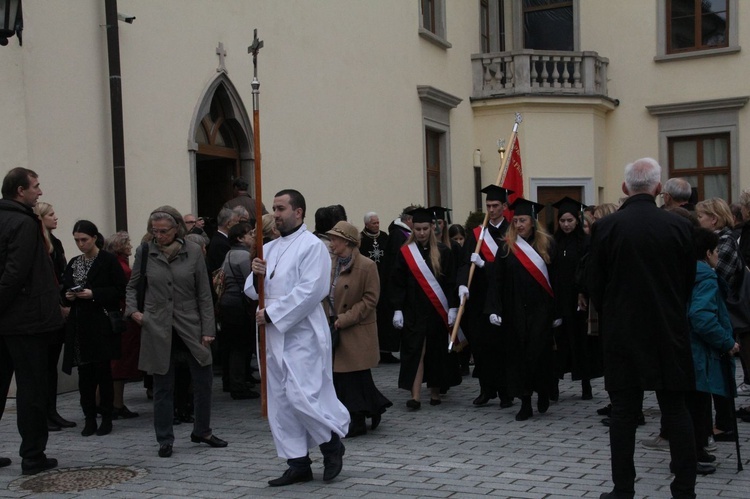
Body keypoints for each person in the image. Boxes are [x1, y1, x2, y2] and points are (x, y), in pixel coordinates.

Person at [588, 158, 697, 499]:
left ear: (624, 188)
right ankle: (684, 489)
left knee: (623, 414)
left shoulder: (606, 228)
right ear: (658, 187)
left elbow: (595, 284)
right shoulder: (680, 227)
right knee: (676, 410)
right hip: (668, 328)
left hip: (623, 331)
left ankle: (623, 490)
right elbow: (688, 282)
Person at [246, 189, 349, 487]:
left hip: (301, 333)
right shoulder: (271, 247)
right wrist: (257, 275)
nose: (275, 214)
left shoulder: (312, 246)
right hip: (272, 335)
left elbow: (311, 290)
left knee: (301, 395)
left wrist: (275, 313)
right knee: (280, 399)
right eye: (274, 209)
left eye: (280, 209)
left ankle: (331, 445)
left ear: (299, 212)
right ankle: (297, 462)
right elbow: (257, 292)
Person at [125, 206, 227, 458]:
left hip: (190, 325)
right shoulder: (145, 252)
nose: (158, 235)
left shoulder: (192, 251)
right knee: (162, 386)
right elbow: (133, 286)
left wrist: (208, 328)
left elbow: (204, 293)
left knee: (203, 380)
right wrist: (133, 312)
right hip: (158, 326)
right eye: (154, 231)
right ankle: (164, 438)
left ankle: (202, 430)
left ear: (177, 229)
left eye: (163, 231)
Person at [0, 167, 62, 475]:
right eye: (35, 187)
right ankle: (33, 456)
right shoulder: (24, 223)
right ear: (20, 191)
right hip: (25, 321)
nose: (39, 192)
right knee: (32, 389)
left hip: (9, 319)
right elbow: (15, 274)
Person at [486, 198, 557, 421]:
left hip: (541, 310)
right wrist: (494, 308)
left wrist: (558, 312)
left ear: (532, 222)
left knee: (539, 354)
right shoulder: (507, 247)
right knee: (520, 356)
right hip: (515, 309)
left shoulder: (547, 245)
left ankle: (543, 391)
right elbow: (496, 280)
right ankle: (525, 401)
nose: (518, 224)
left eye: (523, 220)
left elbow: (558, 281)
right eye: (515, 220)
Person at [325, 221, 392, 437]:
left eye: (335, 238)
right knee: (347, 377)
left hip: (355, 328)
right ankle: (371, 408)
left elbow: (371, 299)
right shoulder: (330, 263)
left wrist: (346, 318)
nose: (331, 242)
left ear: (347, 241)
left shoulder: (367, 266)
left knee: (352, 377)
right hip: (334, 327)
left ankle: (357, 420)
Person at [61, 221, 127, 437]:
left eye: (84, 240)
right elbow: (64, 289)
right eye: (77, 240)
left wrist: (94, 294)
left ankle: (106, 417)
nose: (80, 244)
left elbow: (119, 290)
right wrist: (68, 296)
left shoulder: (107, 260)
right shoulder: (73, 262)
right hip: (79, 325)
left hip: (100, 323)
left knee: (103, 372)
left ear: (94, 238)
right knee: (84, 375)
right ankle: (89, 418)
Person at [390, 207, 461, 409]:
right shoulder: (405, 253)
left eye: (425, 229)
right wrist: (397, 309)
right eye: (418, 229)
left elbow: (450, 283)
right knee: (415, 351)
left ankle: (436, 393)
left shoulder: (444, 252)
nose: (421, 233)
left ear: (432, 228)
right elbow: (397, 282)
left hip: (437, 310)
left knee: (436, 352)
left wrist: (453, 308)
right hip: (413, 310)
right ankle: (415, 396)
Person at [685, 227, 739, 474]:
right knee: (698, 403)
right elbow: (701, 316)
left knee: (695, 402)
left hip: (685, 347)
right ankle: (692, 454)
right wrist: (727, 342)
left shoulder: (685, 272)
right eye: (716, 251)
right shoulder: (706, 277)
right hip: (700, 350)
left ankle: (698, 449)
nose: (718, 255)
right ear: (707, 253)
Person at [458, 185, 513, 408]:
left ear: (504, 207)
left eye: (495, 206)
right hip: (480, 298)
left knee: (501, 347)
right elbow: (464, 262)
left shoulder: (512, 232)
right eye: (488, 206)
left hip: (502, 298)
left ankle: (506, 392)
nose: (491, 210)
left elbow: (511, 267)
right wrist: (462, 284)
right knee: (481, 346)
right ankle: (486, 389)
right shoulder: (477, 234)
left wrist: (486, 265)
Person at [550, 196, 601, 401]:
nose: (566, 225)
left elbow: (589, 269)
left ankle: (586, 384)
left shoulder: (586, 242)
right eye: (562, 221)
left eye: (570, 220)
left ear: (577, 221)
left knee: (581, 342)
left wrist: (583, 291)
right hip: (558, 298)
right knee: (557, 342)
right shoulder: (553, 242)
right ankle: (554, 384)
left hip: (578, 299)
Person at [33, 201, 77, 431]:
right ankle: (43, 415)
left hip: (59, 309)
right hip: (45, 313)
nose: (56, 217)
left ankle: (52, 411)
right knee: (41, 368)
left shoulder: (55, 243)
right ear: (41, 218)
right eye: (51, 214)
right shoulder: (37, 243)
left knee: (51, 367)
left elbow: (62, 276)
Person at [218, 222, 259, 400]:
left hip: (227, 304)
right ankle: (238, 386)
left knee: (231, 345)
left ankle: (230, 381)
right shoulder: (243, 256)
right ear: (240, 238)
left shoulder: (229, 254)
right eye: (249, 234)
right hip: (238, 305)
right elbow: (250, 282)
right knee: (240, 346)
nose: (252, 236)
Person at [103, 231, 142, 420]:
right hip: (124, 318)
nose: (130, 246)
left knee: (117, 362)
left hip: (120, 316)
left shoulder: (114, 263)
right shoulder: (122, 267)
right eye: (127, 243)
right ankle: (115, 403)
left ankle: (108, 402)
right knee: (119, 363)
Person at [359, 212, 393, 365]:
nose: (377, 225)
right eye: (373, 223)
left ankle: (387, 350)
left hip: (385, 282)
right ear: (366, 224)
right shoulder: (361, 239)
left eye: (378, 222)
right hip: (368, 282)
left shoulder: (385, 237)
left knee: (385, 317)